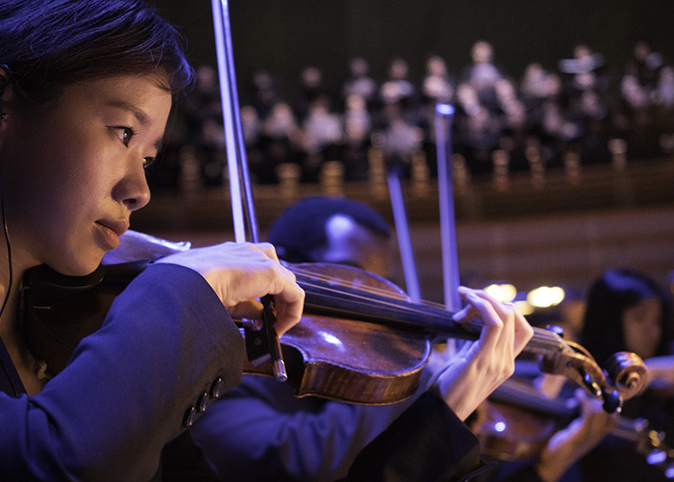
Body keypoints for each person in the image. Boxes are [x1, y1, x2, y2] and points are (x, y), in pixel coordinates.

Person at [0, 0, 528, 481]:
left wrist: (443, 412)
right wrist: (178, 297)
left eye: (151, 152)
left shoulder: (77, 341)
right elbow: (44, 463)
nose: (141, 191)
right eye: (121, 134)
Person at [192, 197, 601, 482]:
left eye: (376, 284)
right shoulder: (222, 363)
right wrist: (425, 389)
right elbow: (295, 460)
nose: (365, 303)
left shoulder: (342, 374)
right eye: (350, 276)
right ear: (280, 263)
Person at [574, 267, 674, 482]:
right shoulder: (582, 387)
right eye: (640, 319)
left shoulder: (672, 383)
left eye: (657, 321)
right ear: (609, 322)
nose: (654, 332)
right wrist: (653, 369)